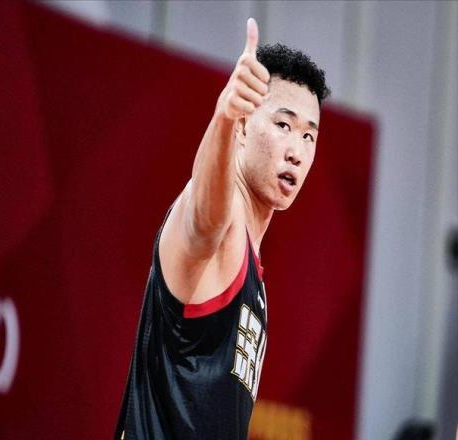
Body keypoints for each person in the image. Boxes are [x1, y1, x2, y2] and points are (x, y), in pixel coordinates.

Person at [114, 17, 330, 440]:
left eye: (309, 136)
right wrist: (224, 118)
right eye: (283, 125)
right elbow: (205, 217)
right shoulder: (222, 222)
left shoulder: (255, 276)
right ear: (246, 125)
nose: (297, 151)